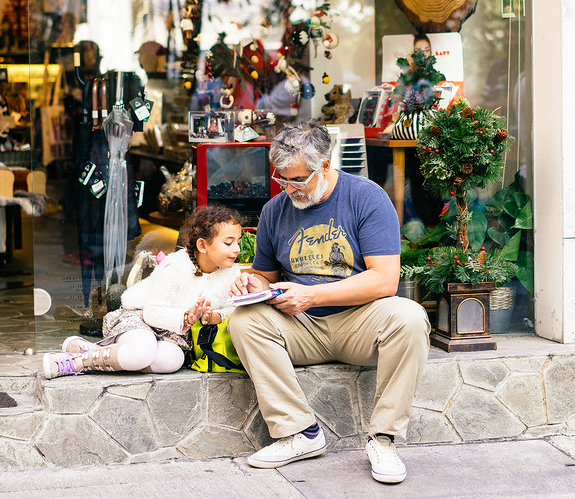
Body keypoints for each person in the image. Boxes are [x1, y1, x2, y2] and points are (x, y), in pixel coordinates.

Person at [229, 119, 430, 485]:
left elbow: (385, 280)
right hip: (302, 326)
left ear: (324, 166)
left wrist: (312, 294)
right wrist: (250, 282)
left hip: (360, 323)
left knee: (410, 317)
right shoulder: (276, 210)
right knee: (245, 320)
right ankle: (299, 433)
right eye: (282, 179)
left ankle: (383, 440)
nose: (289, 188)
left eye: (297, 180)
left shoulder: (366, 197)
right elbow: (267, 277)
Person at [42, 204, 244, 377]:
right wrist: (185, 317)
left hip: (173, 335)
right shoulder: (176, 267)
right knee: (141, 353)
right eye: (228, 243)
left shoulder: (231, 274)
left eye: (238, 241)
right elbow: (152, 312)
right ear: (202, 245)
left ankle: (94, 350)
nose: (236, 249)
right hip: (140, 319)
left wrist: (214, 316)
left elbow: (233, 309)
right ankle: (77, 362)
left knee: (172, 361)